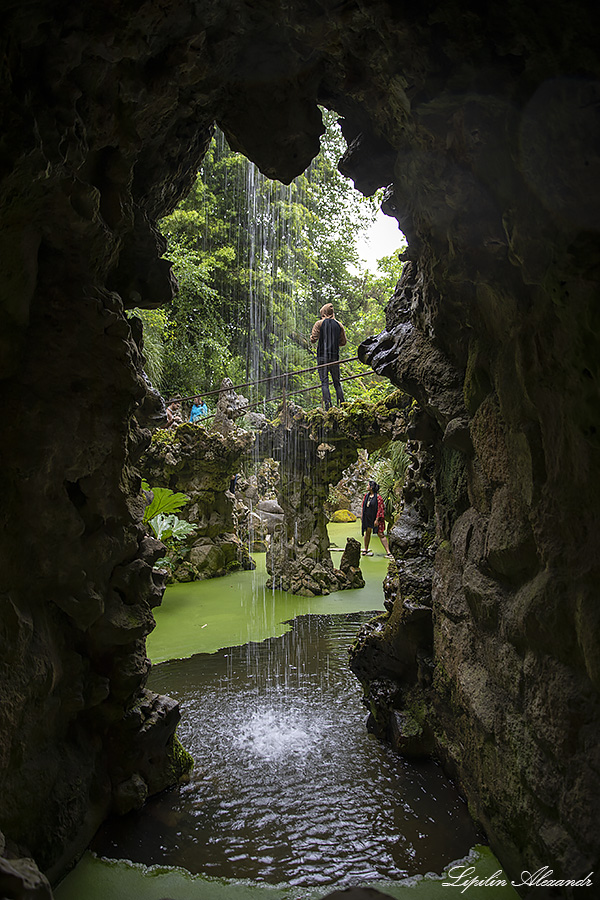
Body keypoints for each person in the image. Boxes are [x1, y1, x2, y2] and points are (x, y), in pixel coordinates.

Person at [310, 302, 347, 410]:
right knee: (337, 382)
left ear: (324, 312)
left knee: (324, 382)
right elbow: (343, 342)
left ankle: (328, 407)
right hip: (334, 357)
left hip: (322, 356)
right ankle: (343, 405)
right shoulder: (339, 325)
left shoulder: (319, 323)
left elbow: (313, 339)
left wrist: (313, 337)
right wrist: (334, 342)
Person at [361, 480, 393, 559]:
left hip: (375, 518)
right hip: (367, 517)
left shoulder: (378, 497)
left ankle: (388, 552)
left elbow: (380, 509)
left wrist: (377, 519)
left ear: (371, 487)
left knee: (380, 534)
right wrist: (362, 516)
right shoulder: (366, 496)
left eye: (368, 485)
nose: (367, 486)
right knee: (367, 532)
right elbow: (363, 506)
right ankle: (365, 549)